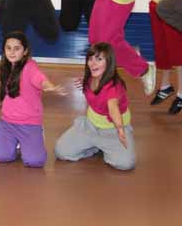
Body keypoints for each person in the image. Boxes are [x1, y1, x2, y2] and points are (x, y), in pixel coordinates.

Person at [55, 42, 136, 171]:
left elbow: (113, 108)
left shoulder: (114, 86)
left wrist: (120, 130)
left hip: (113, 129)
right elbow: (94, 91)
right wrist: (84, 81)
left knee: (125, 164)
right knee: (61, 151)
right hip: (91, 126)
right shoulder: (90, 78)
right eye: (90, 59)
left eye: (99, 59)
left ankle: (106, 147)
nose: (93, 63)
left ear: (109, 62)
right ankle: (95, 146)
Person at [0, 31, 67, 168]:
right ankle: (16, 142)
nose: (12, 52)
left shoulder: (30, 67)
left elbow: (40, 78)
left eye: (17, 48)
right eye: (8, 48)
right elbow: (6, 93)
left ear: (25, 51)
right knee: (2, 156)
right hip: (7, 122)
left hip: (29, 123)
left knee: (35, 161)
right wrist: (1, 107)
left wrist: (49, 86)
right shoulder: (5, 67)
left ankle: (35, 136)